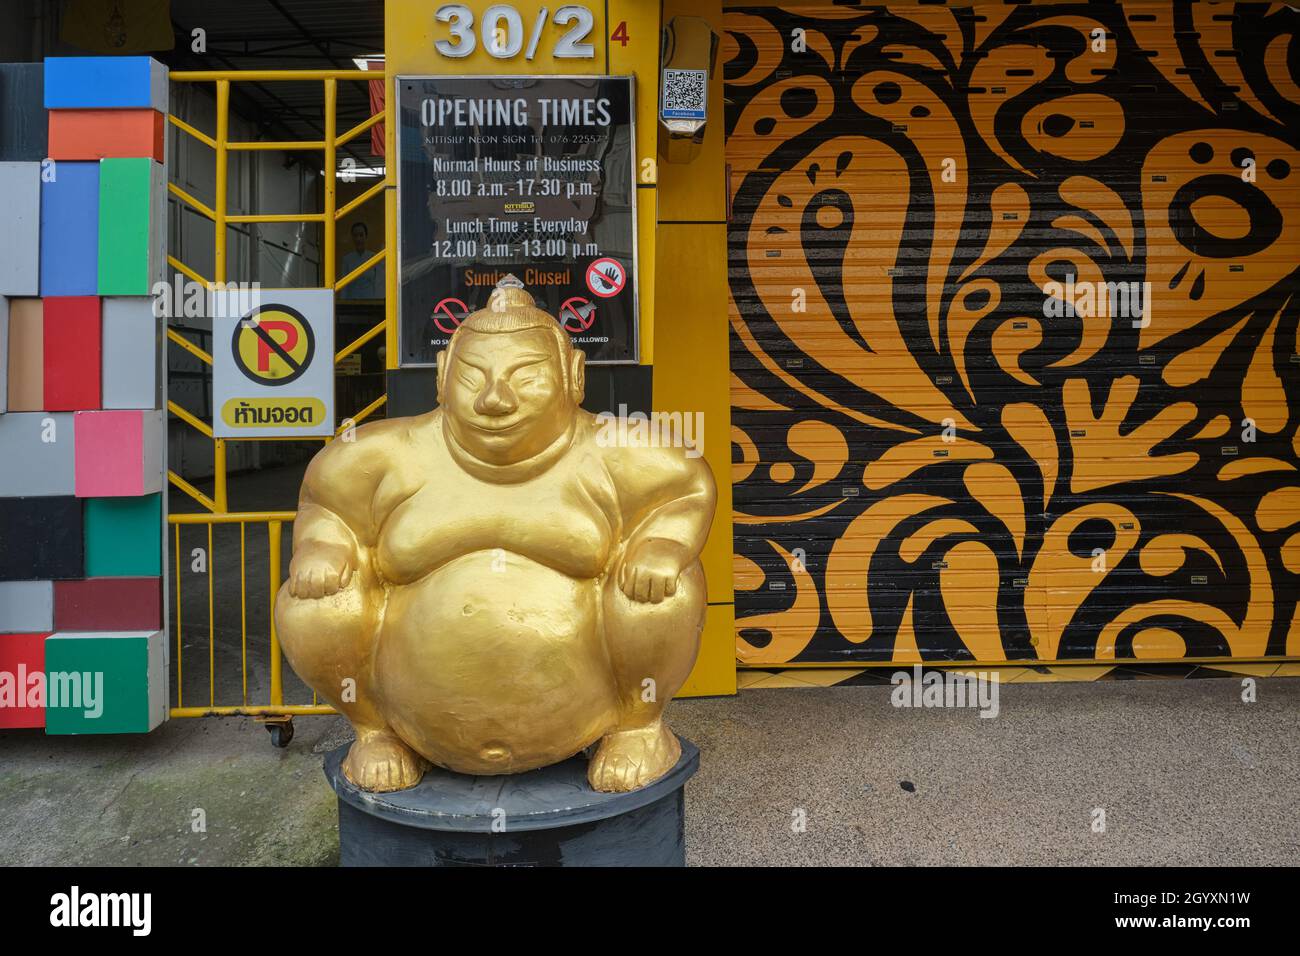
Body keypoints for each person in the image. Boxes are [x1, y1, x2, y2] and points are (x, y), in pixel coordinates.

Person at [338, 221, 382, 299]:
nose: (358, 239)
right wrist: (343, 304)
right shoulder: (347, 259)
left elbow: (378, 284)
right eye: (355, 236)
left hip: (371, 302)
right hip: (352, 303)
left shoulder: (374, 257)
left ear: (366, 237)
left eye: (361, 235)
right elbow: (344, 287)